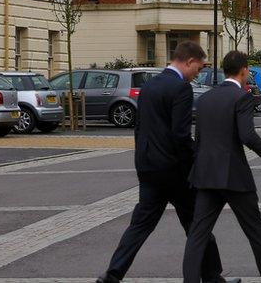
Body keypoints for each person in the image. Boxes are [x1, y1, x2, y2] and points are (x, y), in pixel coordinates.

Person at [97, 41, 234, 283]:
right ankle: (213, 277)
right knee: (197, 223)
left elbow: (140, 129)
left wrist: (142, 161)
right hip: (174, 171)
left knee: (139, 226)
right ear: (189, 61)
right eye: (199, 68)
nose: (198, 74)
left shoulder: (149, 85)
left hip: (149, 168)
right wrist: (196, 161)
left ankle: (112, 274)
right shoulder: (181, 88)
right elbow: (180, 135)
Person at [183, 51, 261, 283]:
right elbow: (247, 135)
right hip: (234, 176)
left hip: (206, 175)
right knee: (255, 232)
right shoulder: (242, 97)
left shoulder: (205, 99)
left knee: (197, 234)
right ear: (244, 70)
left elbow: (199, 139)